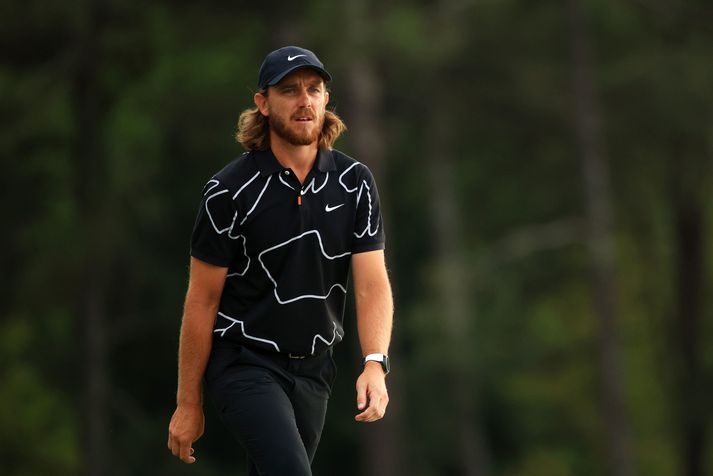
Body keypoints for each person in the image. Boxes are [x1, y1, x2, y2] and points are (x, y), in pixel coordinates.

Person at [167, 45, 393, 475]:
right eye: (289, 90)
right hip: (244, 363)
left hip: (314, 371)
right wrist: (187, 403)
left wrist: (374, 363)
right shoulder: (228, 191)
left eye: (314, 89)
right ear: (263, 104)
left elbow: (371, 285)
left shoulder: (355, 183)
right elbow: (201, 300)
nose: (304, 100)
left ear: (327, 99)